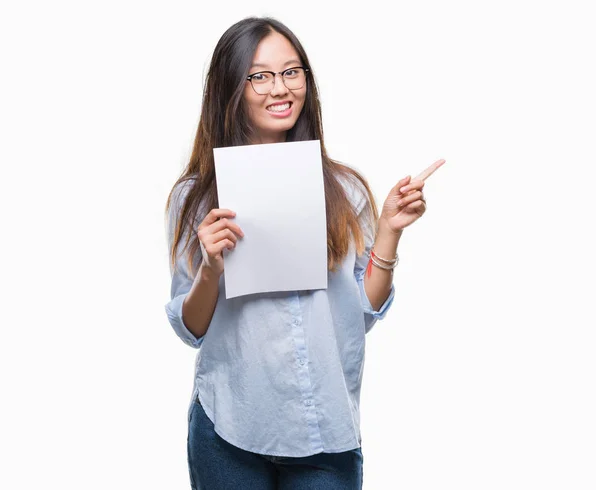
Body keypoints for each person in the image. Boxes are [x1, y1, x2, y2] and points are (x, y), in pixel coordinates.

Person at [164, 16, 445, 490]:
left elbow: (363, 312)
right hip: (230, 426)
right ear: (230, 87)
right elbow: (191, 330)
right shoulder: (194, 197)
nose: (281, 88)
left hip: (324, 435)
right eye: (260, 75)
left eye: (292, 72)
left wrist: (390, 231)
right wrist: (211, 268)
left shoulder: (344, 188)